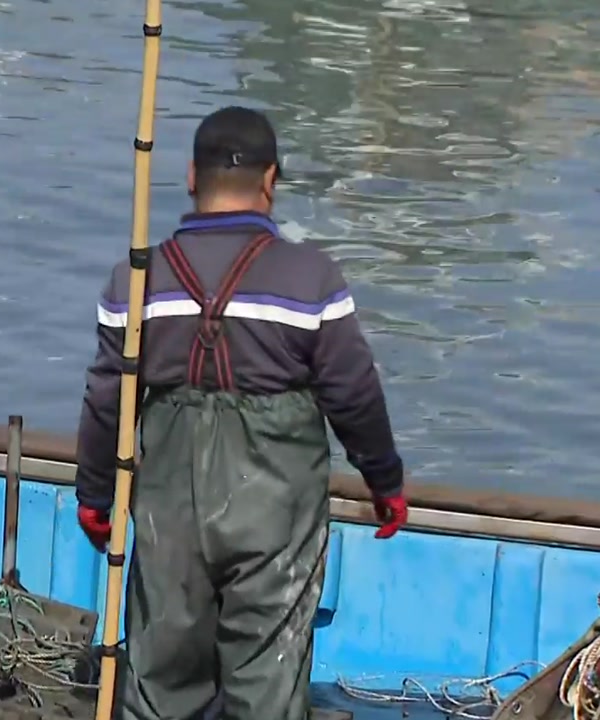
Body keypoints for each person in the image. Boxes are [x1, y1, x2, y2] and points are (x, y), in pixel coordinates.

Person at [72, 106, 409, 720]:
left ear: (191, 177)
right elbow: (354, 393)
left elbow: (106, 399)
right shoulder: (312, 279)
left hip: (170, 510)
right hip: (273, 513)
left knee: (161, 675)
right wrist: (384, 481)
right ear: (271, 180)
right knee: (266, 680)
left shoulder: (135, 282)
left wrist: (94, 496)